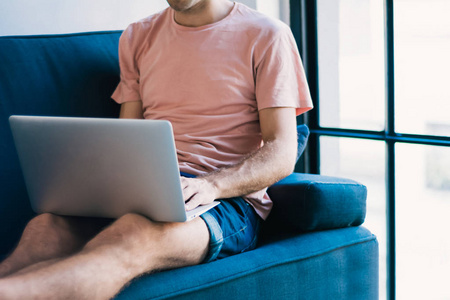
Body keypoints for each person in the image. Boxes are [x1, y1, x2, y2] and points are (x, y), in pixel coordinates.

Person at [0, 0, 313, 298]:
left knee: (133, 233)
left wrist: (211, 185)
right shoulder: (139, 35)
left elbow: (281, 150)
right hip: (147, 187)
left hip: (225, 200)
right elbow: (125, 138)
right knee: (46, 227)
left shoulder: (267, 35)